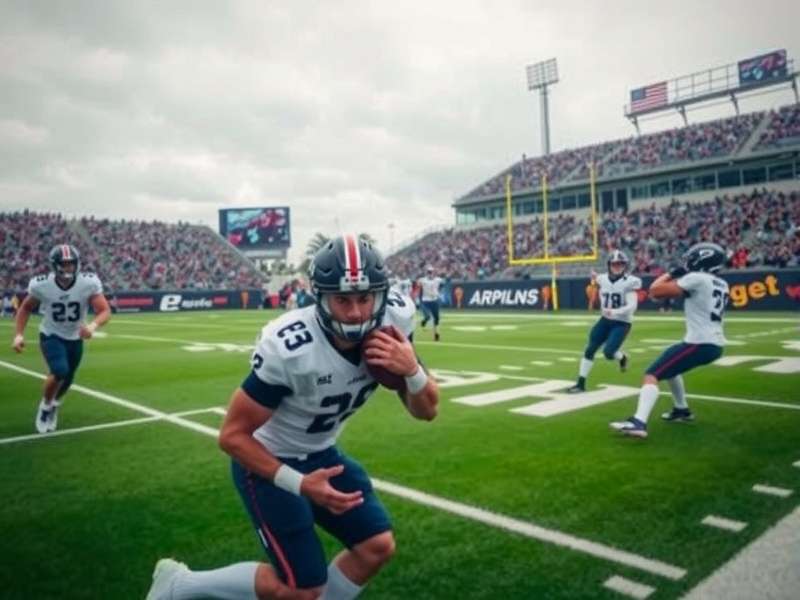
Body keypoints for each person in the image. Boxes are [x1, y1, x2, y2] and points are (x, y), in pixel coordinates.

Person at [147, 234, 439, 600]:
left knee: (376, 546)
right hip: (267, 461)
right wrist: (299, 484)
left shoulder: (394, 320)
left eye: (365, 298)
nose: (356, 313)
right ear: (320, 297)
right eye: (342, 300)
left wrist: (412, 370)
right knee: (302, 590)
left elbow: (427, 410)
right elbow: (232, 436)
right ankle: (180, 584)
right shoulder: (290, 347)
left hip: (322, 452)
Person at [610, 242, 729, 438]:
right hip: (714, 344)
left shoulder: (697, 278)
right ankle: (681, 410)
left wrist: (673, 273)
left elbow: (655, 290)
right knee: (672, 369)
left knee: (651, 375)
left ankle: (639, 422)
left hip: (699, 343)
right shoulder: (722, 283)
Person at [12, 244, 111, 433]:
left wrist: (92, 325)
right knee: (59, 370)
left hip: (75, 337)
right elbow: (25, 308)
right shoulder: (41, 284)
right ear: (55, 265)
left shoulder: (88, 282)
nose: (69, 268)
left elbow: (104, 310)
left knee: (68, 377)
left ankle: (55, 403)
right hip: (51, 334)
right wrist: (18, 335)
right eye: (64, 264)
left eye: (72, 264)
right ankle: (45, 406)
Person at [567, 250, 641, 394]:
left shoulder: (630, 282)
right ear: (609, 265)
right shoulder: (602, 279)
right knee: (590, 349)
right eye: (614, 264)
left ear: (625, 265)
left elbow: (633, 306)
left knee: (608, 353)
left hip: (621, 323)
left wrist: (615, 312)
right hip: (605, 320)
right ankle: (580, 384)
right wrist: (593, 276)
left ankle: (622, 357)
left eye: (620, 264)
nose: (617, 267)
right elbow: (597, 278)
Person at [418, 266, 443, 341]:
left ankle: (436, 334)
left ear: (434, 273)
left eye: (431, 272)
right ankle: (424, 321)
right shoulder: (422, 280)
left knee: (437, 318)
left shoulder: (438, 280)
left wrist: (439, 293)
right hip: (426, 301)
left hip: (434, 301)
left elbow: (443, 284)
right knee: (427, 316)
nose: (430, 274)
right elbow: (417, 284)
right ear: (426, 273)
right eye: (428, 272)